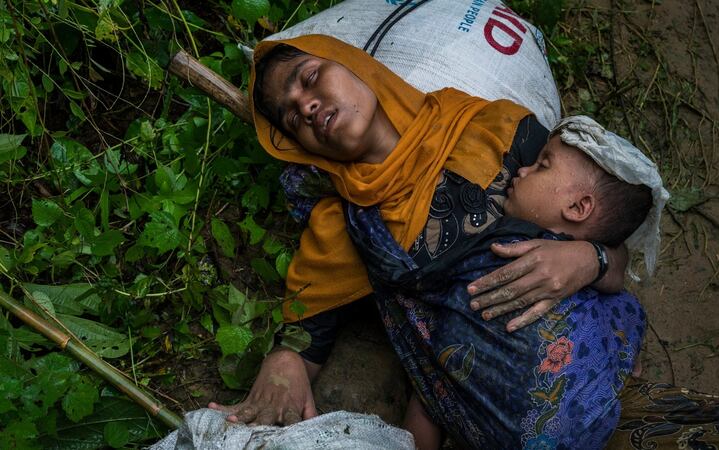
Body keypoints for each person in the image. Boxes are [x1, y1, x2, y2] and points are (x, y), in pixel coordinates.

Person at [209, 34, 633, 430]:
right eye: (291, 116)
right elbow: (306, 341)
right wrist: (284, 364)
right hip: (497, 417)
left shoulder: (492, 128)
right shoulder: (343, 225)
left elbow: (611, 239)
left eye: (310, 77)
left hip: (601, 363)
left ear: (355, 64)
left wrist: (590, 259)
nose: (305, 106)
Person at [343, 114, 656, 449]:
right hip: (557, 422)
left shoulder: (513, 238)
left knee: (441, 368)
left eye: (541, 166)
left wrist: (364, 220)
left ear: (578, 208)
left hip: (554, 408)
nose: (523, 171)